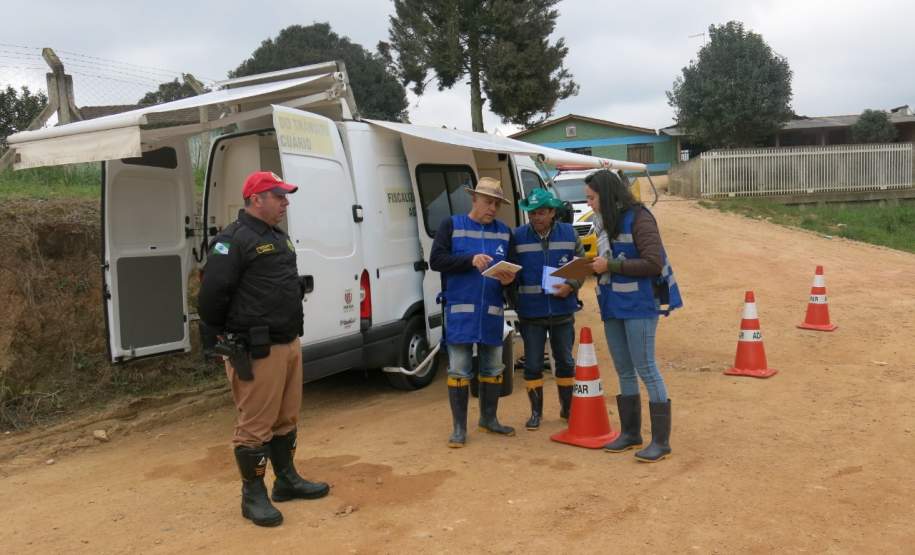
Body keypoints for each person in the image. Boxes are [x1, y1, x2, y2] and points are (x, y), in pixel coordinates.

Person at [198, 171, 329, 527]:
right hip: (255, 348)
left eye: (286, 197)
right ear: (257, 199)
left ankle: (286, 480)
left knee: (286, 419)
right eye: (279, 196)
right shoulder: (232, 240)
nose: (286, 203)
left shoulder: (276, 236)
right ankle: (252, 496)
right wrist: (219, 338)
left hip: (287, 341)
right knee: (255, 426)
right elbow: (211, 296)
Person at [584, 170, 683, 462]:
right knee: (624, 370)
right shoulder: (603, 223)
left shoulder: (640, 217)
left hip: (639, 305)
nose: (588, 203)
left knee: (646, 368)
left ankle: (661, 442)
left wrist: (610, 265)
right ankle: (630, 433)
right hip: (613, 305)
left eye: (591, 197)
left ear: (607, 194)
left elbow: (654, 263)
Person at [430, 177, 517, 448]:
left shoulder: (504, 232)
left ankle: (488, 419)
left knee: (493, 367)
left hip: (491, 311)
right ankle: (459, 429)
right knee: (459, 369)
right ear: (474, 200)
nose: (492, 208)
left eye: (497, 204)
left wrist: (508, 281)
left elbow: (513, 269)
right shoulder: (452, 225)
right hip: (460, 311)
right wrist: (469, 260)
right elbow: (436, 261)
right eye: (488, 202)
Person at [510, 188, 585, 430]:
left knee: (564, 361)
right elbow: (510, 273)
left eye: (541, 213)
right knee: (532, 365)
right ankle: (536, 413)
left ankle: (567, 409)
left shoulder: (569, 234)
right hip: (531, 313)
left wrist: (571, 285)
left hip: (563, 310)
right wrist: (513, 300)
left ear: (552, 213)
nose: (535, 218)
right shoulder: (517, 236)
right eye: (531, 213)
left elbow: (582, 265)